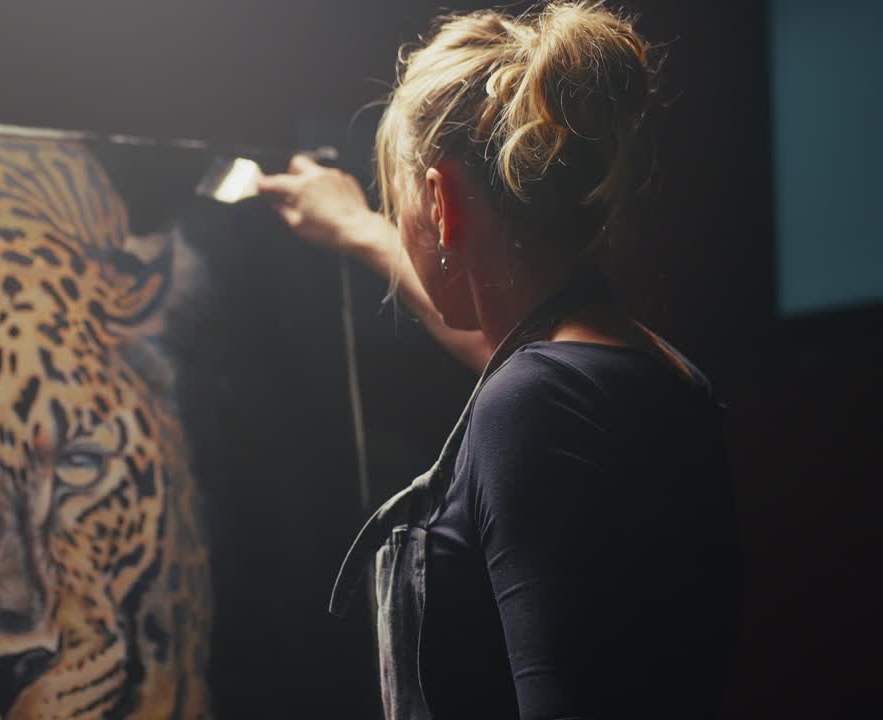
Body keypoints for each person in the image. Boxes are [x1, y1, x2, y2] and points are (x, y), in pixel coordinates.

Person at [257, 2, 739, 719]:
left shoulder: (534, 405)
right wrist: (362, 230)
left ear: (440, 201)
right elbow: (504, 347)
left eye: (401, 203)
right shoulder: (639, 370)